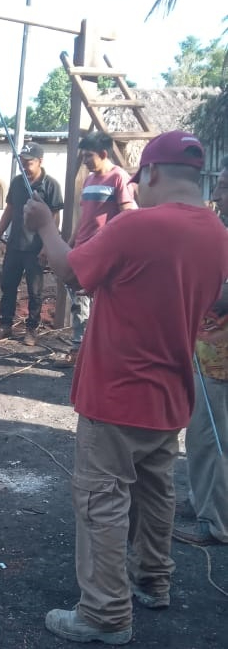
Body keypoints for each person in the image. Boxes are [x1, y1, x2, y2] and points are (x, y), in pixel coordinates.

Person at [23, 130, 228, 645]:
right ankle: (152, 580)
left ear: (153, 174)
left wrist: (46, 226)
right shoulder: (219, 234)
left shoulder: (138, 227)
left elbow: (71, 273)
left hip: (115, 394)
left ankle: (104, 614)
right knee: (157, 491)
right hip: (171, 394)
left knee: (102, 500)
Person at [172, 156, 228, 547]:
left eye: (224, 186)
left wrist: (189, 292)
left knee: (214, 438)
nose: (218, 195)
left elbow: (222, 296)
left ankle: (216, 521)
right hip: (207, 349)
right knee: (199, 434)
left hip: (221, 358)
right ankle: (200, 498)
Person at [53, 131, 136, 366]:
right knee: (79, 301)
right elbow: (84, 215)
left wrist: (113, 244)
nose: (86, 161)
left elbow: (127, 214)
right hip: (83, 249)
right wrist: (70, 241)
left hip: (104, 253)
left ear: (103, 154)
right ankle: (79, 351)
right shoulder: (89, 180)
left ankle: (101, 352)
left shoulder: (118, 177)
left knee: (103, 302)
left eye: (89, 156)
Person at [0, 142, 63, 346]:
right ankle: (5, 325)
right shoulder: (17, 182)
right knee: (8, 286)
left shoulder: (51, 185)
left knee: (35, 291)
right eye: (21, 163)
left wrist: (46, 246)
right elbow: (10, 210)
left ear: (40, 162)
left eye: (28, 163)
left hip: (36, 248)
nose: (24, 167)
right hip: (15, 245)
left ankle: (32, 329)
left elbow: (55, 218)